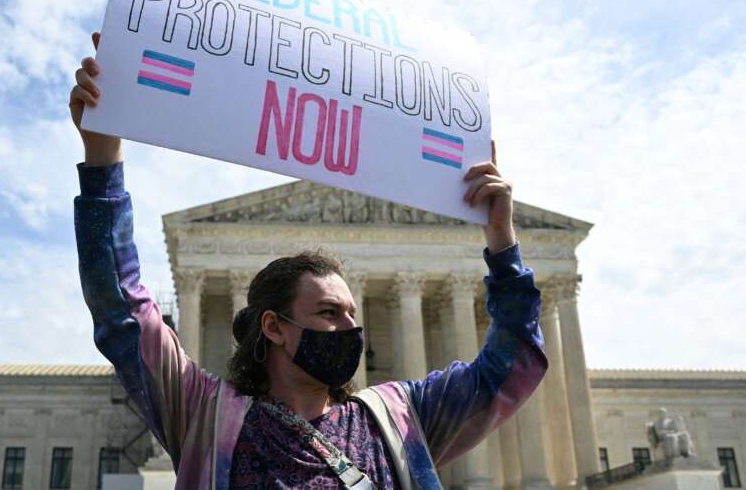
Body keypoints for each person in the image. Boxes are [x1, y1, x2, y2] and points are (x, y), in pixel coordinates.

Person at [70, 31, 548, 489]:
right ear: (274, 327)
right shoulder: (207, 417)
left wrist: (502, 242)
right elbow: (121, 309)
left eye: (350, 314)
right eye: (327, 312)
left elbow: (509, 367)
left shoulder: (398, 420)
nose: (349, 328)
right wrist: (101, 157)